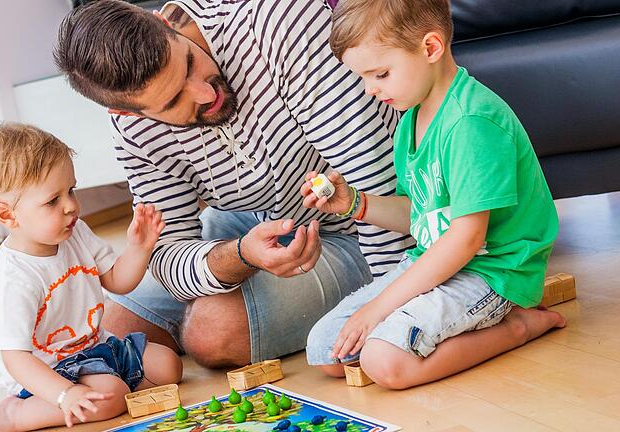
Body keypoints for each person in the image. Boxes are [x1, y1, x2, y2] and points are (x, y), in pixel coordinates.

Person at [53, 0, 413, 367]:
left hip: (361, 225)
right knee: (119, 333)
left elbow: (377, 184)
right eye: (175, 100)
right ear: (128, 112)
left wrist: (391, 306)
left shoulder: (279, 24)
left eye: (190, 63)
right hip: (263, 221)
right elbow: (166, 253)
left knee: (211, 332)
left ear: (166, 23)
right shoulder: (134, 128)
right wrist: (240, 255)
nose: (206, 94)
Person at [302, 0, 566, 390]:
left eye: (380, 74)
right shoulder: (412, 119)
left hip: (491, 273)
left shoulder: (471, 123)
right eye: (362, 77)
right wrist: (355, 204)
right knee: (327, 350)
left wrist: (381, 307)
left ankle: (519, 326)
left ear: (430, 48)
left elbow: (466, 237)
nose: (370, 89)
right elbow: (420, 214)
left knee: (384, 361)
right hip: (436, 261)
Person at [0, 123, 182, 431]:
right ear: (7, 215)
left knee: (169, 366)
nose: (71, 206)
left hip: (98, 348)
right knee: (111, 396)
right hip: (50, 373)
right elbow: (17, 360)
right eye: (53, 201)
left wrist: (140, 248)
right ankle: (12, 415)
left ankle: (108, 387)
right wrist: (64, 394)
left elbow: (118, 281)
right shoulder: (11, 280)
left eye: (71, 190)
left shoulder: (75, 233)